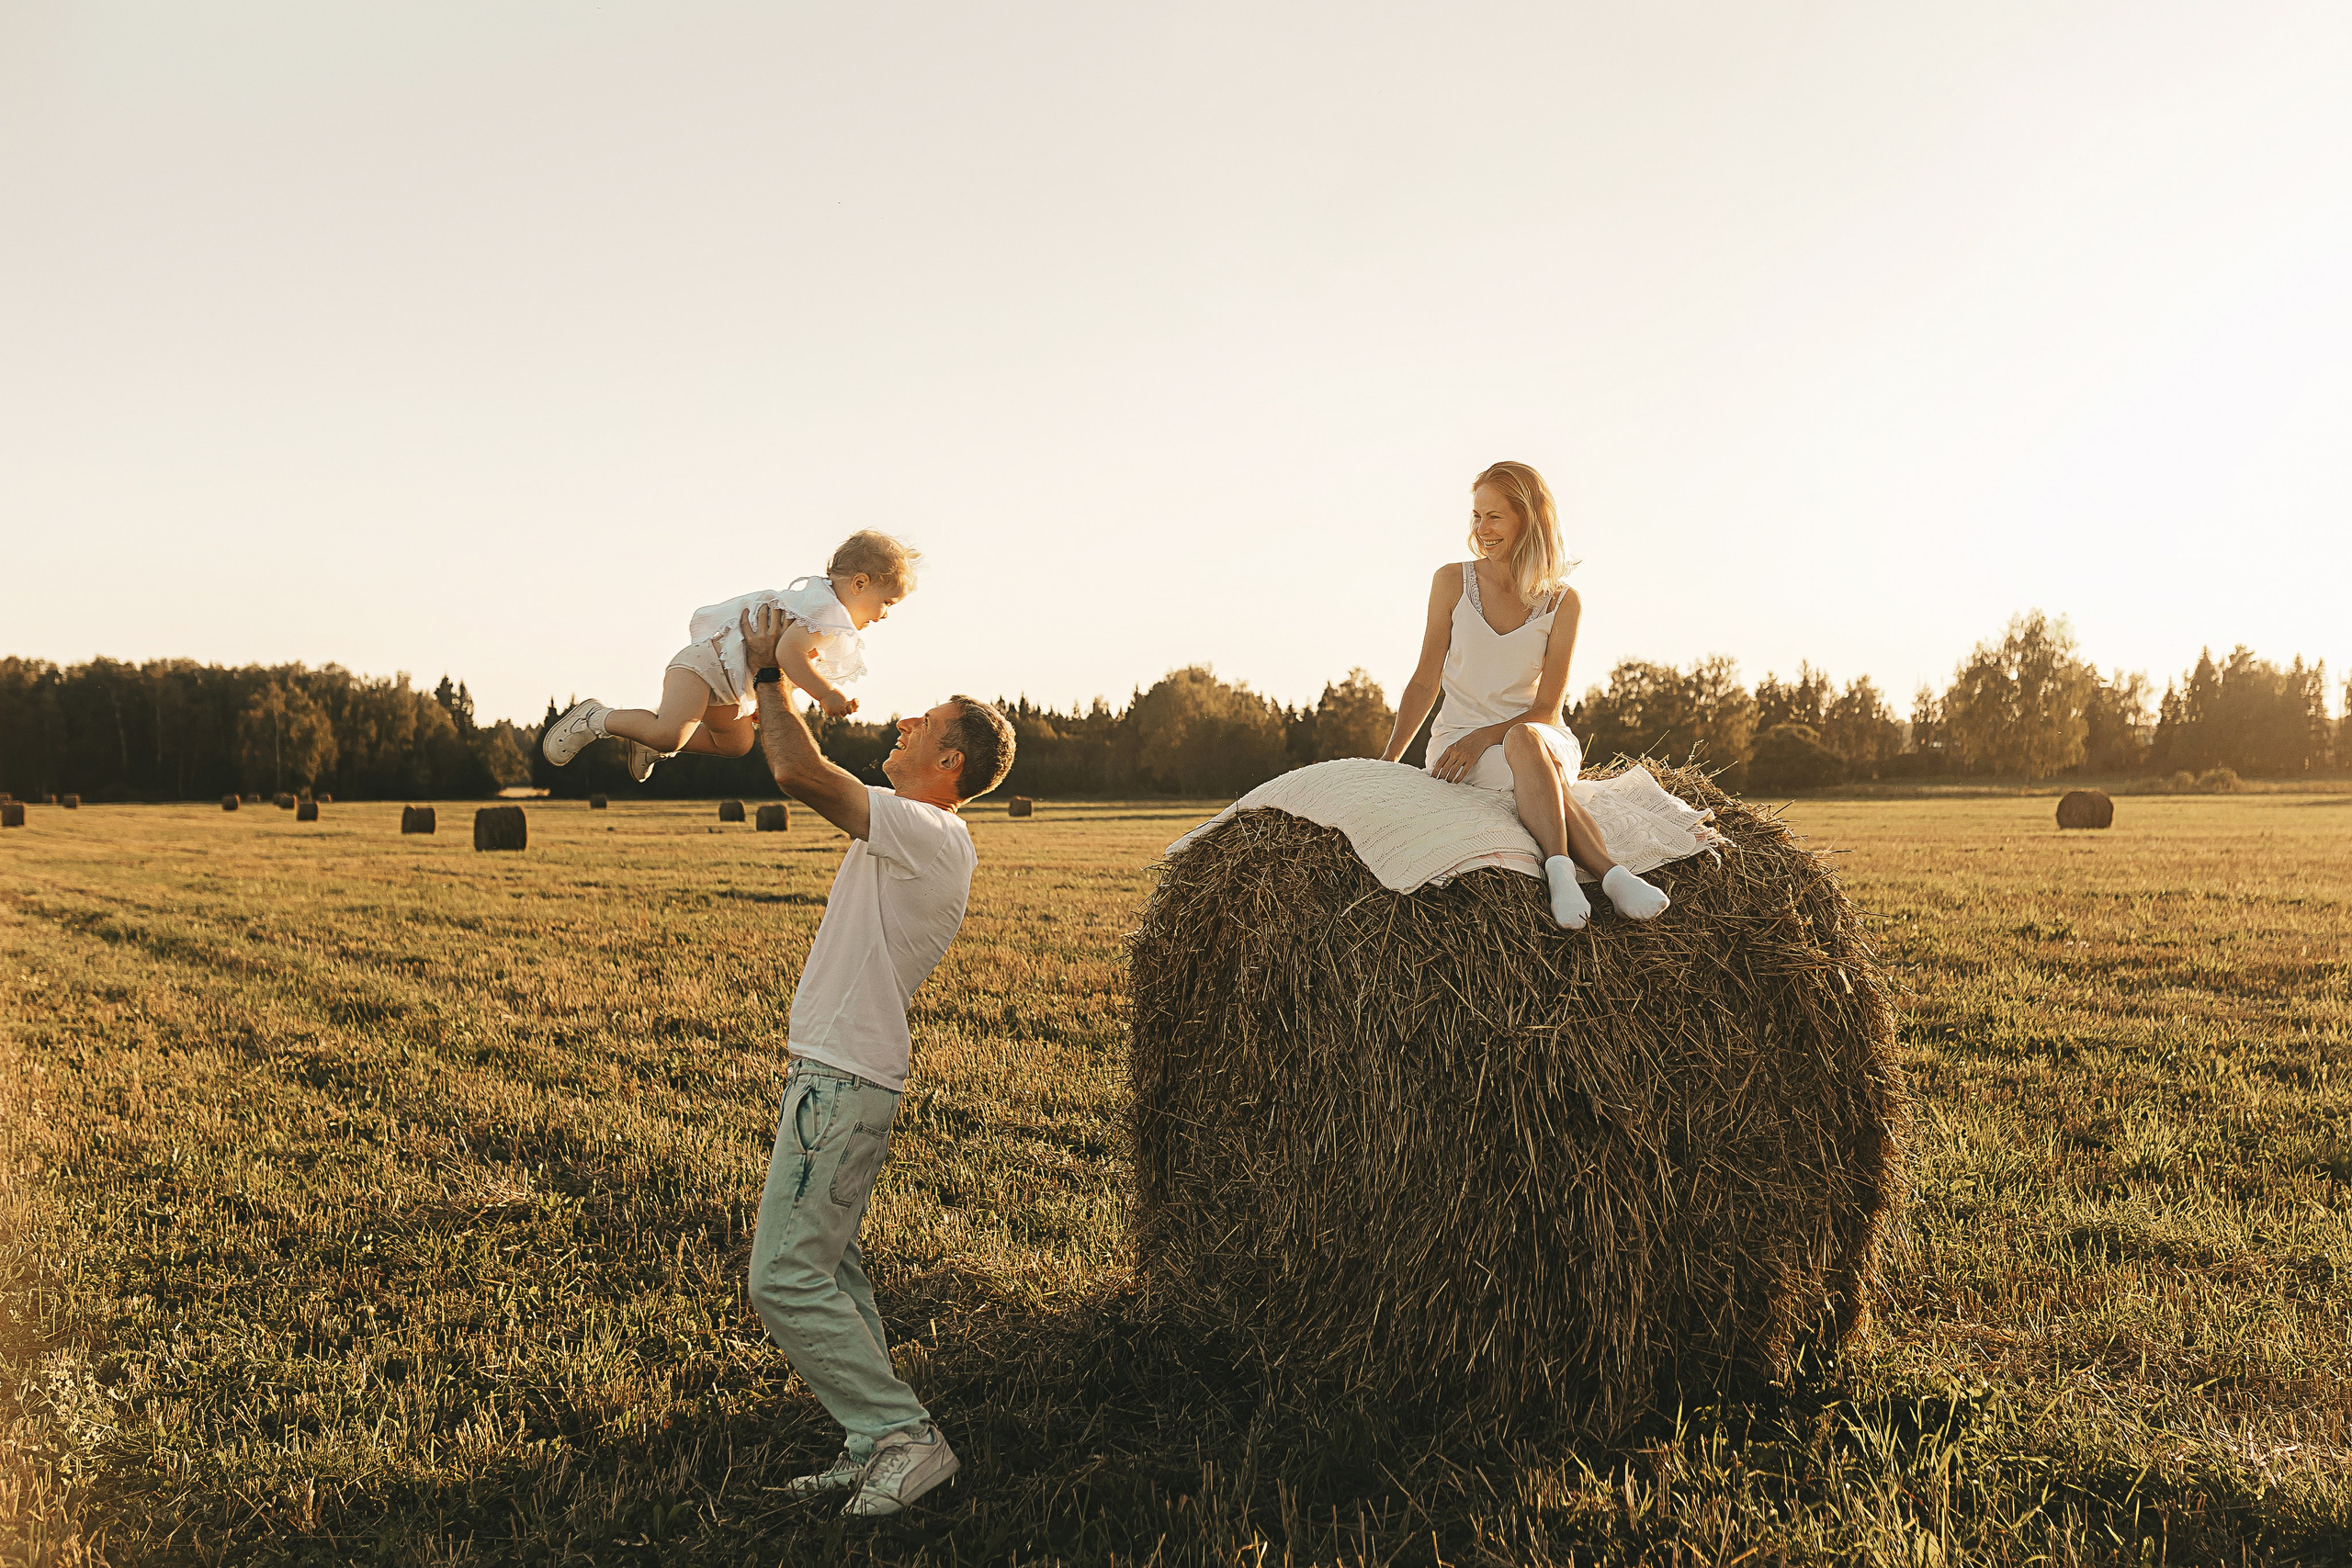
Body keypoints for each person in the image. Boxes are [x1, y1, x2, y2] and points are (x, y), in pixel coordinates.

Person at [732, 601, 1016, 1517]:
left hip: (844, 1083)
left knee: (782, 1276)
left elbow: (794, 768)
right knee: (833, 1274)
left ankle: (904, 1438)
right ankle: (869, 1441)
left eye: (920, 724)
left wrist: (770, 671)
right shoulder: (904, 822)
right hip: (838, 1078)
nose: (900, 722)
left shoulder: (928, 834)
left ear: (951, 764)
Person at [1379, 461, 1673, 930]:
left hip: (1539, 734)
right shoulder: (1451, 581)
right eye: (1476, 516)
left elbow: (1547, 708)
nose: (1481, 529)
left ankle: (1560, 871)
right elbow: (1423, 680)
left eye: (1494, 516)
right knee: (1529, 766)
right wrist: (1389, 763)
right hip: (1457, 742)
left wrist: (1488, 737)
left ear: (1529, 518)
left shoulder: (1563, 600)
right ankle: (1612, 876)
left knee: (1523, 741)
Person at [537, 530, 918, 784]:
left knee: (735, 744)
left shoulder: (819, 609)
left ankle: (648, 742)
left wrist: (765, 699)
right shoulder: (824, 612)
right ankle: (597, 718)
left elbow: (791, 659)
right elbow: (788, 654)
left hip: (731, 686)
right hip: (703, 668)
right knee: (671, 732)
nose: (884, 614)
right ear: (860, 583)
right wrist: (827, 695)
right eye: (887, 602)